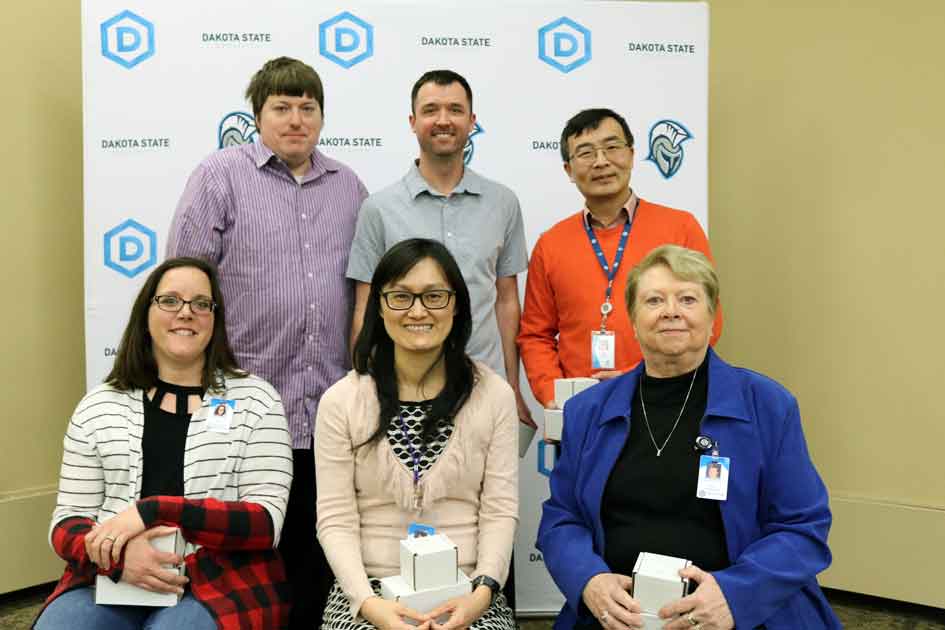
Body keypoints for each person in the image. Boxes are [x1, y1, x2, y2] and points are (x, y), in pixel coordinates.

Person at [536, 245, 840, 630]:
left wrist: (733, 596)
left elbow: (803, 527)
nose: (671, 311)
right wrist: (589, 581)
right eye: (654, 300)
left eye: (688, 299)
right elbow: (561, 520)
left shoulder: (768, 405)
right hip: (617, 618)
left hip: (738, 615)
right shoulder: (588, 411)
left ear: (712, 316)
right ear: (632, 319)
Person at [166, 56, 367, 628]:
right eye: (282, 107)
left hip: (327, 401)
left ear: (322, 117)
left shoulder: (348, 187)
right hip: (242, 403)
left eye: (308, 108)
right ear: (257, 116)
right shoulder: (219, 176)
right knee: (249, 555)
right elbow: (184, 280)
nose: (296, 119)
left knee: (317, 546)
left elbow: (365, 290)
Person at [36, 257, 293, 630]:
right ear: (146, 313)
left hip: (222, 579)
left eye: (201, 304)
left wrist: (154, 510)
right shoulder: (99, 405)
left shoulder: (257, 400)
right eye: (170, 301)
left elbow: (265, 523)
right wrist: (120, 557)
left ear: (215, 319)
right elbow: (66, 523)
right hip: (112, 575)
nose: (186, 313)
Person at [316, 238, 518, 630]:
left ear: (457, 304)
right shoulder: (342, 401)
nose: (418, 311)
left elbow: (499, 511)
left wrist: (481, 595)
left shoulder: (494, 395)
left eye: (434, 296)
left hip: (468, 588)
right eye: (401, 297)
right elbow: (335, 519)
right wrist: (370, 605)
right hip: (369, 591)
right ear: (379, 305)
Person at [346, 69, 533, 430]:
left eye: (455, 110)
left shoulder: (503, 203)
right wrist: (363, 384)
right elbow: (365, 305)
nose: (443, 120)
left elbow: (506, 299)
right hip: (401, 389)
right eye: (431, 110)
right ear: (413, 122)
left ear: (472, 121)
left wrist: (512, 384)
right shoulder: (379, 208)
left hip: (483, 387)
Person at [518, 108, 723, 412]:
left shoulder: (680, 228)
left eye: (612, 147)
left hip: (666, 402)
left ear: (631, 154)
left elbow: (709, 320)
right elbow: (536, 335)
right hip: (583, 411)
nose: (601, 161)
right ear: (568, 169)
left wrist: (642, 379)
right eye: (585, 153)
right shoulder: (551, 244)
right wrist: (553, 395)